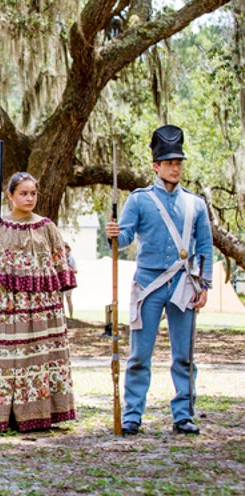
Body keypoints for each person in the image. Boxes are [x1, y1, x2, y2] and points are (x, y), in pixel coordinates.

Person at [105, 125, 213, 436]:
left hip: (184, 284)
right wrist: (113, 233)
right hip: (149, 284)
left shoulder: (196, 204)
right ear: (156, 166)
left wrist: (203, 285)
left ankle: (183, 414)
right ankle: (132, 414)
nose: (175, 168)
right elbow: (124, 238)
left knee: (184, 355)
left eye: (178, 162)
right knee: (140, 354)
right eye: (169, 163)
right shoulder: (139, 200)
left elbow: (204, 247)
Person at [0, 171, 77, 432]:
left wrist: (57, 302)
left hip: (42, 304)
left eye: (33, 193)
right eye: (23, 193)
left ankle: (42, 413)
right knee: (4, 356)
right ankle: (4, 415)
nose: (29, 198)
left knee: (40, 357)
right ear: (10, 196)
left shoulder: (47, 227)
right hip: (6, 303)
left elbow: (59, 263)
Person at [63, 243, 78, 318]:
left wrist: (69, 268)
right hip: (61, 280)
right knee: (60, 299)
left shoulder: (71, 258)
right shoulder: (59, 258)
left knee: (68, 299)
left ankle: (71, 316)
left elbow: (76, 270)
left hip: (69, 280)